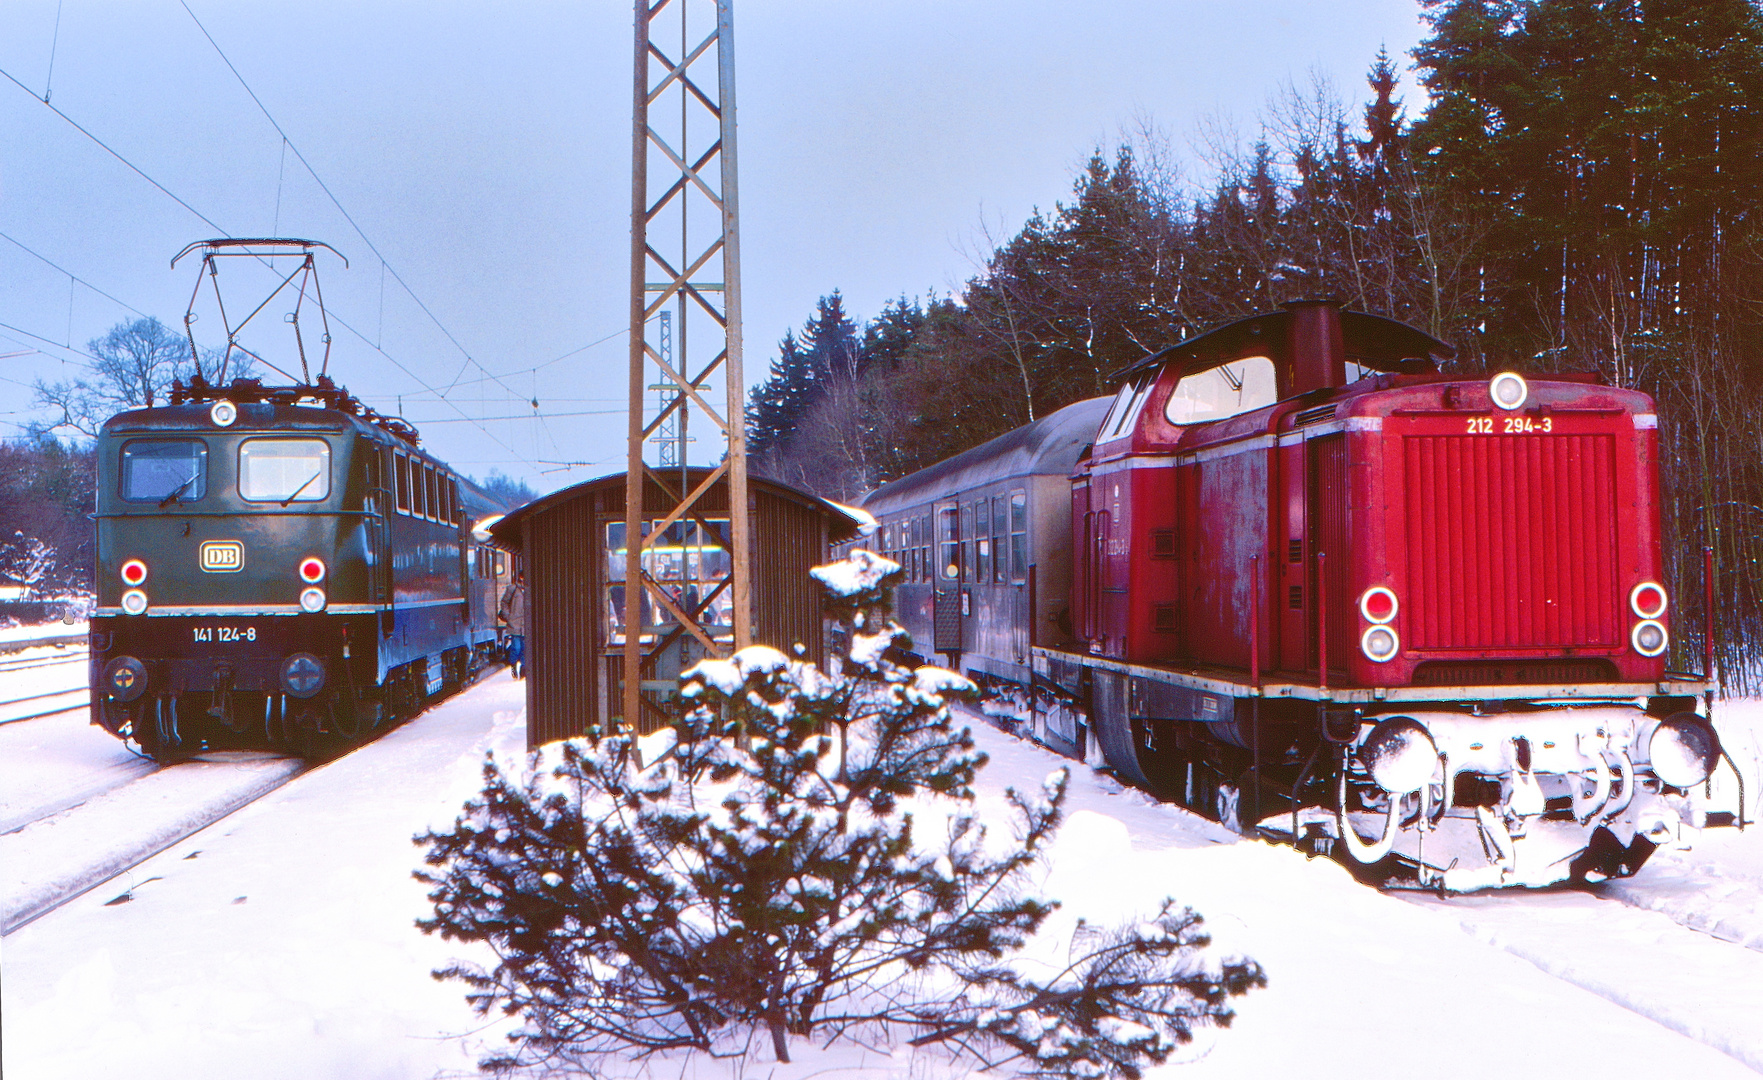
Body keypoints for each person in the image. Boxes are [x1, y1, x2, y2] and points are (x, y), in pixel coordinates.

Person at [499, 570, 528, 678]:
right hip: (514, 623)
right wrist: (508, 616)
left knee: (525, 648)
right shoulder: (512, 589)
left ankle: (524, 669)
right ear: (520, 577)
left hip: (526, 624)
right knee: (516, 647)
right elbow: (504, 602)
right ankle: (513, 664)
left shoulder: (529, 589)